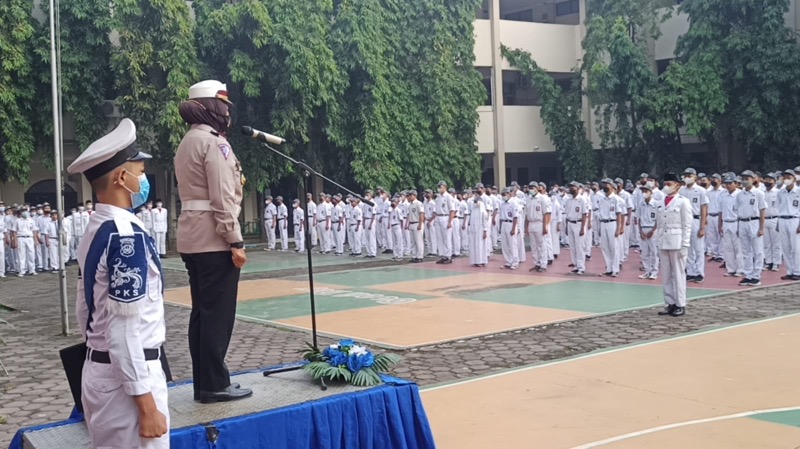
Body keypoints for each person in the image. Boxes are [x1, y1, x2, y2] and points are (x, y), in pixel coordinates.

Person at [67, 118, 169, 448]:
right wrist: (146, 404)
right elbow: (123, 331)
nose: (143, 179)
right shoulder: (126, 237)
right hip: (128, 386)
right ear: (122, 178)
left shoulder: (97, 228)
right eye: (139, 172)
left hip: (102, 374)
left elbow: (86, 311)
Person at [175, 80, 252, 403]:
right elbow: (222, 197)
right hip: (214, 240)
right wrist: (234, 240)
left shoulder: (188, 141)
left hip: (192, 238)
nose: (228, 113)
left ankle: (205, 382)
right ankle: (216, 383)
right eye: (224, 106)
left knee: (202, 315)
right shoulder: (214, 144)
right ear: (213, 107)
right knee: (217, 317)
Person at [657, 173, 693, 317]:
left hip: (677, 242)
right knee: (666, 275)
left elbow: (687, 225)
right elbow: (659, 223)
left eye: (669, 184)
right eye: (665, 184)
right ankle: (670, 302)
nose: (666, 186)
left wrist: (685, 244)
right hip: (663, 241)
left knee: (678, 274)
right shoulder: (660, 201)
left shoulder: (683, 202)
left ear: (677, 185)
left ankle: (680, 304)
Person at [735, 170, 767, 287]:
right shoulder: (739, 195)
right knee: (746, 251)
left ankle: (756, 276)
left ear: (753, 179)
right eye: (743, 178)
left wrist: (761, 227)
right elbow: (738, 211)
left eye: (747, 178)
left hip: (754, 221)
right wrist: (738, 226)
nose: (745, 181)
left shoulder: (758, 193)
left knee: (757, 251)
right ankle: (748, 274)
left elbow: (762, 210)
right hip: (743, 222)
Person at [680, 168, 709, 283]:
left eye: (690, 175)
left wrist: (702, 227)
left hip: (696, 219)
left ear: (695, 177)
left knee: (698, 248)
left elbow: (704, 208)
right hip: (684, 220)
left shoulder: (701, 190)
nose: (687, 177)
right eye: (686, 175)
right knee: (687, 247)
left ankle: (699, 272)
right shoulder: (682, 191)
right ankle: (691, 271)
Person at [718, 175, 744, 277]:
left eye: (730, 183)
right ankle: (731, 269)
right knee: (728, 247)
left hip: (736, 221)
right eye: (726, 183)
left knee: (738, 248)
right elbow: (720, 211)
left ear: (735, 184)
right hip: (726, 222)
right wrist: (719, 224)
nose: (728, 185)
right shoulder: (723, 195)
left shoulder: (740, 194)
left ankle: (740, 269)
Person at [597, 179, 623, 277]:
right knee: (605, 247)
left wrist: (618, 228)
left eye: (607, 184)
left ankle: (615, 269)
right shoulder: (602, 199)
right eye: (603, 184)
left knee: (614, 247)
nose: (605, 186)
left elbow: (619, 214)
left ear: (612, 186)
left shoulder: (616, 199)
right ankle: (608, 268)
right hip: (603, 223)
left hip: (612, 223)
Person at [778, 169, 800, 281]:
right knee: (785, 247)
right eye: (784, 177)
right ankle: (789, 271)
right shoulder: (780, 192)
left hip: (794, 219)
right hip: (782, 219)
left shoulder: (798, 191)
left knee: (795, 247)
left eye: (789, 177)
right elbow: (778, 208)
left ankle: (797, 271)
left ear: (794, 178)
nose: (786, 179)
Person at [525, 182, 551, 273]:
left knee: (541, 245)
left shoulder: (541, 198)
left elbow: (545, 214)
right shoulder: (528, 199)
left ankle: (543, 264)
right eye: (530, 187)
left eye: (533, 187)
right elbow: (526, 215)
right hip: (531, 223)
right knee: (533, 245)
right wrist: (526, 227)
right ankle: (537, 263)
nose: (531, 189)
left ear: (536, 188)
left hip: (539, 223)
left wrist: (545, 227)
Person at [563, 181, 588, 275]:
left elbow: (584, 214)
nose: (571, 189)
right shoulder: (569, 200)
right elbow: (566, 214)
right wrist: (566, 227)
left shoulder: (582, 199)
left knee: (580, 246)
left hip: (578, 223)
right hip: (570, 223)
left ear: (578, 188)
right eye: (570, 187)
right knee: (572, 246)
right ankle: (576, 265)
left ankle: (581, 267)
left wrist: (582, 228)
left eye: (573, 187)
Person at [637, 184, 660, 280]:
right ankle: (647, 271)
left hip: (652, 229)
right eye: (643, 191)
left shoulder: (656, 204)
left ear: (651, 192)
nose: (644, 193)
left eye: (646, 191)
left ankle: (654, 272)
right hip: (643, 228)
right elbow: (639, 218)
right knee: (645, 252)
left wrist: (653, 230)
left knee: (654, 252)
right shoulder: (641, 204)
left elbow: (658, 219)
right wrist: (640, 231)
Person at [762, 173, 782, 272]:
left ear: (774, 182)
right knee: (766, 243)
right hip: (765, 219)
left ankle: (776, 263)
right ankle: (768, 262)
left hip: (775, 218)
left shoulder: (778, 192)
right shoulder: (762, 192)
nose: (768, 182)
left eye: (770, 180)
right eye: (766, 179)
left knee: (776, 243)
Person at [435, 181, 457, 264]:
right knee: (440, 238)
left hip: (445, 217)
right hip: (439, 217)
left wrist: (450, 222)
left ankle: (448, 256)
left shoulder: (448, 197)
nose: (439, 188)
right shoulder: (438, 197)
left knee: (447, 238)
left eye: (440, 186)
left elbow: (452, 210)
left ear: (445, 187)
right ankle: (443, 255)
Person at [499, 187, 520, 270]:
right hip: (504, 223)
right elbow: (501, 217)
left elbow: (515, 217)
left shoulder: (513, 203)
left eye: (504, 194)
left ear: (509, 194)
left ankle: (515, 262)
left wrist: (513, 228)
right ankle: (508, 261)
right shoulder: (502, 203)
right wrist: (500, 228)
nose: (503, 196)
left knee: (512, 244)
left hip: (511, 223)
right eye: (502, 194)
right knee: (504, 245)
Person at [14, 208, 39, 277]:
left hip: (29, 238)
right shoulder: (17, 221)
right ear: (21, 213)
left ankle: (32, 270)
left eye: (26, 211)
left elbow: (34, 231)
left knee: (31, 254)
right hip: (21, 238)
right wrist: (15, 241)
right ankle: (22, 270)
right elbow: (14, 231)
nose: (25, 212)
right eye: (23, 211)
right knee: (21, 255)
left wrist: (35, 240)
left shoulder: (31, 220)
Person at [468, 188, 490, 267]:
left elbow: (485, 221)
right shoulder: (473, 210)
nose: (475, 203)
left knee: (480, 246)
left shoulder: (482, 211)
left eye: (476, 202)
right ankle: (475, 261)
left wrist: (485, 231)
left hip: (480, 230)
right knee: (474, 245)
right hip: (474, 230)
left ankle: (481, 260)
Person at [705, 174, 724, 263]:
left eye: (715, 179)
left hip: (719, 215)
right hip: (710, 215)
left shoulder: (723, 192)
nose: (713, 180)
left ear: (720, 181)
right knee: (711, 235)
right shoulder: (709, 192)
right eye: (712, 178)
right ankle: (714, 253)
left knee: (720, 234)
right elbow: (706, 205)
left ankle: (721, 254)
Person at [407, 191, 424, 263]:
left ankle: (419, 256)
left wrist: (420, 224)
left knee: (418, 241)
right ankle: (414, 256)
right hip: (412, 223)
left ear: (414, 195)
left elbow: (421, 214)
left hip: (417, 223)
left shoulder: (418, 203)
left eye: (411, 195)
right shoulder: (410, 205)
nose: (409, 196)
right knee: (413, 241)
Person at [362, 190, 378, 258]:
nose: (366, 196)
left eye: (368, 195)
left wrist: (371, 224)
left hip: (371, 220)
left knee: (372, 237)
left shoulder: (373, 203)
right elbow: (364, 213)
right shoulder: (365, 203)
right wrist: (363, 222)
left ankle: (373, 252)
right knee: (367, 237)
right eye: (366, 194)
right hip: (366, 219)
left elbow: (373, 215)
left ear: (371, 195)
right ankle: (369, 252)